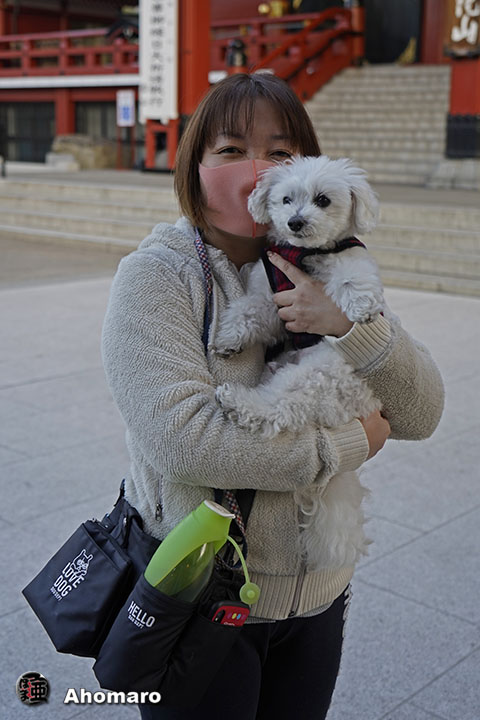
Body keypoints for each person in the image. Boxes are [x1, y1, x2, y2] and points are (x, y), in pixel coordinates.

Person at [101, 72, 444, 720]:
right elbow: (187, 445)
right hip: (199, 596)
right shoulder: (156, 277)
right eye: (231, 150)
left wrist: (350, 327)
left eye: (279, 151)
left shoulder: (329, 267)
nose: (257, 170)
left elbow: (422, 412)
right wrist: (348, 443)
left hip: (317, 597)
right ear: (195, 163)